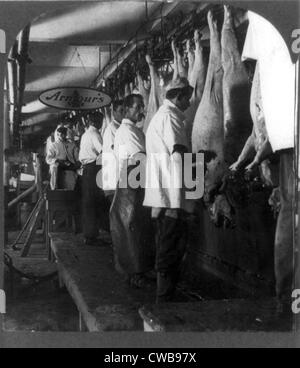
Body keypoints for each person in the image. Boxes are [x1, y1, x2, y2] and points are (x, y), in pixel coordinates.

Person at [143, 77, 193, 302]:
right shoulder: (171, 117)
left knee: (166, 240)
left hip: (161, 190)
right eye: (187, 98)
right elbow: (178, 153)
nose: (189, 104)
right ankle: (164, 298)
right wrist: (196, 184)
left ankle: (166, 293)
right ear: (178, 96)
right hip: (171, 191)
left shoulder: (158, 117)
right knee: (171, 242)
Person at [110, 94, 155, 289]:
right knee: (134, 227)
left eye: (141, 106)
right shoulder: (128, 131)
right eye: (137, 107)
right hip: (132, 182)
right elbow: (141, 156)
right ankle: (136, 274)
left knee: (134, 228)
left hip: (132, 180)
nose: (141, 110)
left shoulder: (131, 130)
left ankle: (134, 271)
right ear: (127, 109)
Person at [79, 110, 107, 246]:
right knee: (93, 203)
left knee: (89, 202)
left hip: (87, 170)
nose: (101, 124)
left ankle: (89, 235)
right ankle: (91, 237)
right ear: (97, 122)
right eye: (101, 121)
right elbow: (104, 151)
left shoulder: (85, 134)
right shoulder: (95, 134)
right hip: (94, 169)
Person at [102, 100, 124, 203]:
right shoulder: (112, 129)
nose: (124, 114)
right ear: (114, 112)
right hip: (113, 176)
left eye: (125, 110)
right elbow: (117, 150)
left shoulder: (121, 127)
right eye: (121, 111)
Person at [46, 126, 80, 190]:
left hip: (70, 165)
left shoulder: (72, 145)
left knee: (71, 183)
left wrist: (77, 162)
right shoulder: (54, 145)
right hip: (58, 165)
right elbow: (48, 159)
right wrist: (57, 160)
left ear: (66, 134)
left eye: (63, 134)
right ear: (58, 135)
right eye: (60, 134)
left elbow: (77, 157)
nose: (61, 136)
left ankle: (71, 191)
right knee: (54, 167)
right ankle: (54, 188)